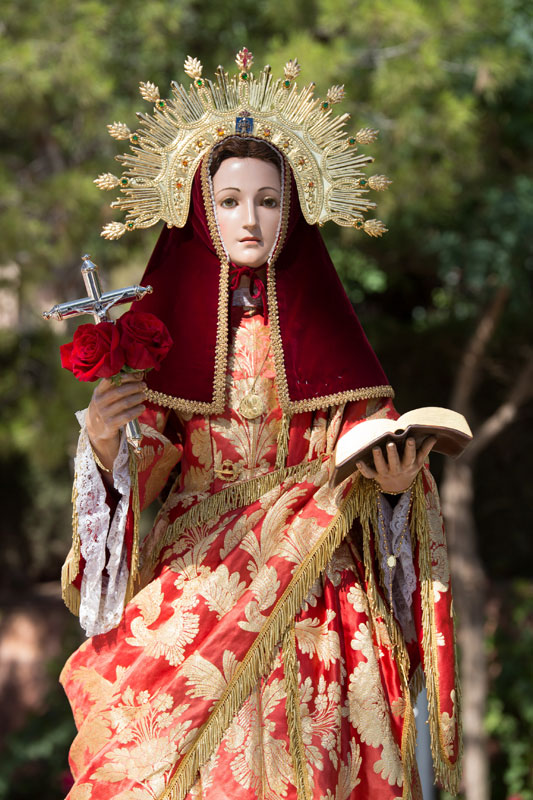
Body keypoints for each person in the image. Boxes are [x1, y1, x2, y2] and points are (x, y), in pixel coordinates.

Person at [59, 53, 461, 800]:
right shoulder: (168, 345)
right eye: (230, 201)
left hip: (319, 588)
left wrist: (395, 489)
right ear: (200, 212)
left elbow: (374, 446)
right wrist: (108, 444)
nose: (250, 219)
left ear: (294, 209)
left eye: (269, 201)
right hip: (198, 585)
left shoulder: (334, 344)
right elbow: (142, 472)